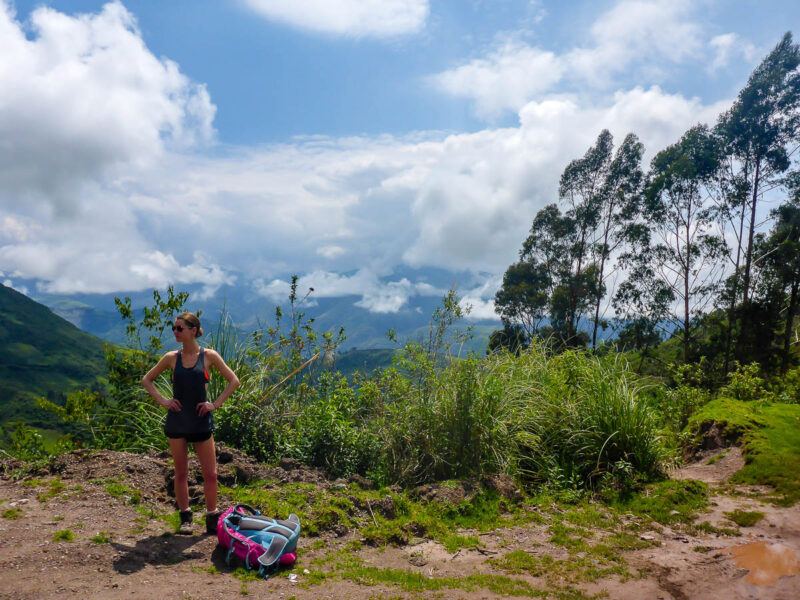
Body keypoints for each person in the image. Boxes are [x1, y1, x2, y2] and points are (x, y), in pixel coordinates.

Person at [141, 312, 239, 534]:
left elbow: (234, 380)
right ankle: (185, 517)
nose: (175, 332)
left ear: (193, 330)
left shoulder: (209, 356)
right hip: (177, 422)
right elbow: (147, 380)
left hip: (201, 421)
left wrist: (214, 404)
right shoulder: (170, 358)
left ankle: (211, 516)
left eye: (179, 328)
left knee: (211, 474)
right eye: (174, 328)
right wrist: (163, 401)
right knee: (181, 472)